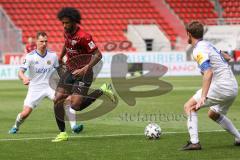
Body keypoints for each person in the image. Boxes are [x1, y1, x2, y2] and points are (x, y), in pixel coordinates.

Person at [52, 7, 117, 142]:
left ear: (74, 21)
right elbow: (66, 43)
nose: (64, 25)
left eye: (67, 23)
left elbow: (98, 55)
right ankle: (62, 133)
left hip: (84, 73)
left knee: (76, 106)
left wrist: (85, 68)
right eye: (63, 23)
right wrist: (61, 56)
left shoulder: (84, 37)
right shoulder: (66, 32)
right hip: (70, 70)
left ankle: (102, 90)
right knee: (57, 99)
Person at [9, 31, 82, 134]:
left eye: (46, 41)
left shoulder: (53, 56)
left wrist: (66, 80)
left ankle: (74, 127)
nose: (44, 44)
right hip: (35, 88)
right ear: (36, 42)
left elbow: (59, 70)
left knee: (66, 101)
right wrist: (24, 78)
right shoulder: (30, 56)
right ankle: (16, 126)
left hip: (50, 86)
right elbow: (20, 72)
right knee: (25, 113)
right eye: (41, 41)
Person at [182, 21, 240, 150]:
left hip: (222, 86)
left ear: (189, 34)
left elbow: (208, 72)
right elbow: (226, 56)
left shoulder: (199, 49)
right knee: (213, 114)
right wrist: (225, 58)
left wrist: (203, 96)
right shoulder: (207, 45)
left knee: (189, 107)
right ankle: (239, 137)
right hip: (233, 86)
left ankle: (194, 142)